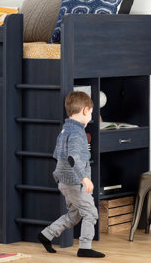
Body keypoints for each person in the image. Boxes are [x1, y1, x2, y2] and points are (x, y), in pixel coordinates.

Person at [37, 91, 105, 258]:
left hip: (65, 180)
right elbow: (72, 157)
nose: (90, 116)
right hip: (75, 182)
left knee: (74, 215)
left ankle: (47, 234)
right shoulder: (76, 133)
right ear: (85, 110)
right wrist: (84, 178)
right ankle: (85, 247)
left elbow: (57, 154)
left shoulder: (65, 130)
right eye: (91, 113)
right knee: (91, 212)